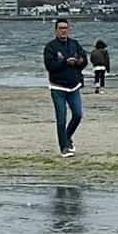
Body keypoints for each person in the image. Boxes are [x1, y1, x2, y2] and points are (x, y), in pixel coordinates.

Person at [43, 18, 87, 157]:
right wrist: (64, 61)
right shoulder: (50, 47)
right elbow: (50, 66)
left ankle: (66, 138)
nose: (64, 30)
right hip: (58, 87)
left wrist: (78, 61)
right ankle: (64, 148)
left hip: (74, 86)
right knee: (61, 118)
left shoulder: (74, 44)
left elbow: (84, 60)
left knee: (78, 115)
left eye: (66, 28)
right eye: (61, 28)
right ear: (56, 30)